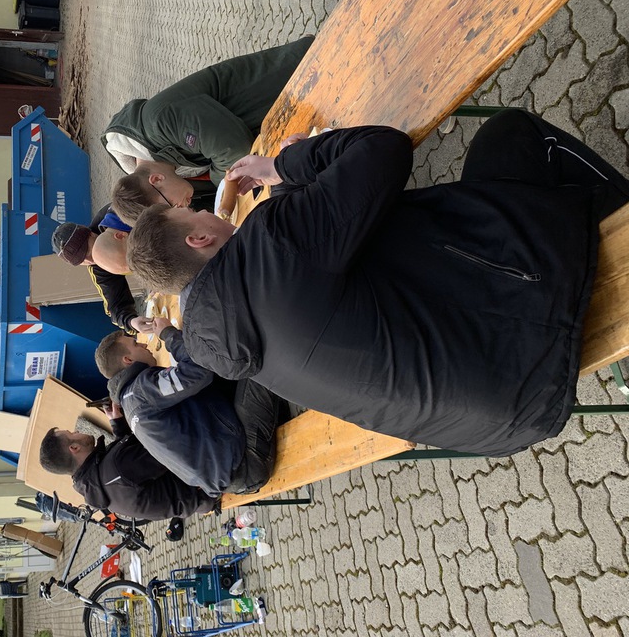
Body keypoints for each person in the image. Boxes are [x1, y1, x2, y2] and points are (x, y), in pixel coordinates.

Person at [126, 109, 629, 458]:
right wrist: (287, 164)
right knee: (512, 134)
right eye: (195, 214)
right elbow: (385, 148)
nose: (204, 210)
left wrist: (297, 193)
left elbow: (306, 266)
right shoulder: (271, 242)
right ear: (198, 239)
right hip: (528, 339)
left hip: (496, 422)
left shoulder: (219, 343)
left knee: (478, 180)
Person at [103, 37, 315, 221]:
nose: (184, 206)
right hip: (290, 109)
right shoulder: (162, 156)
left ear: (157, 180)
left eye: (174, 205)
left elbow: (234, 148)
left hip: (302, 76)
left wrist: (223, 189)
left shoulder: (158, 122)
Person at [96, 318, 280, 497]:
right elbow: (200, 370)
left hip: (228, 471)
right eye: (136, 344)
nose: (143, 345)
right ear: (128, 359)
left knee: (231, 362)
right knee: (257, 357)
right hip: (246, 463)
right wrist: (168, 334)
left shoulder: (130, 401)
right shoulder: (142, 391)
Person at [38, 409, 217, 521]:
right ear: (74, 448)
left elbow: (133, 462)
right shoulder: (117, 467)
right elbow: (169, 447)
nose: (77, 430)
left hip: (198, 494)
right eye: (72, 433)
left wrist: (119, 426)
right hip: (209, 481)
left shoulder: (96, 483)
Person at [52, 206, 154, 334]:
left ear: (90, 233)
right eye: (82, 261)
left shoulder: (117, 215)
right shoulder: (96, 266)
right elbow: (116, 305)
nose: (91, 260)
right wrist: (131, 321)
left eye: (87, 251)